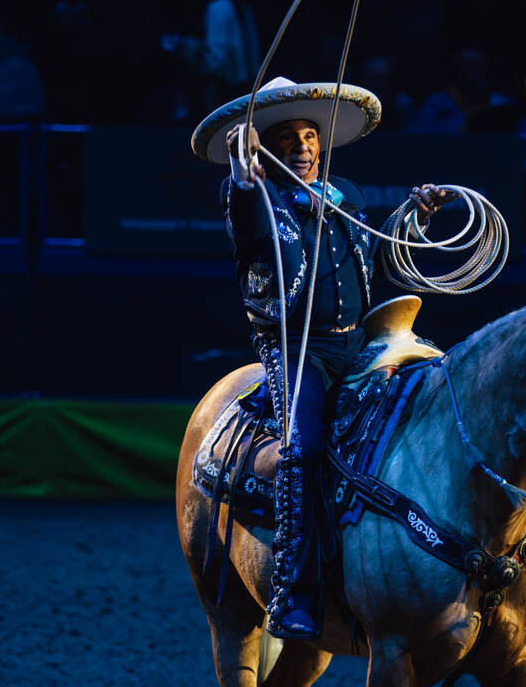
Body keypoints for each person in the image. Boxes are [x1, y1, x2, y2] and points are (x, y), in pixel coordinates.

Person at [191, 76, 454, 638]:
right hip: (295, 349)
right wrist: (242, 176)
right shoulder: (252, 195)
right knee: (301, 449)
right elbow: (246, 225)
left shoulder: (347, 197)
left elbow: (375, 262)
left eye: (310, 136)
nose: (304, 147)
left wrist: (413, 217)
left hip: (357, 340)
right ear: (265, 146)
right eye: (287, 138)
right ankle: (292, 590)